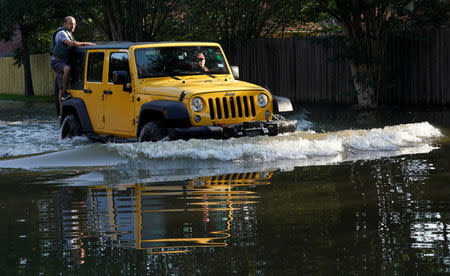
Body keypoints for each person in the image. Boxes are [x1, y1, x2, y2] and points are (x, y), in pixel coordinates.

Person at [50, 16, 95, 117]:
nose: (73, 26)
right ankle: (66, 94)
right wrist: (86, 43)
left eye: (74, 24)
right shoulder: (62, 34)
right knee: (67, 69)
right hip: (57, 61)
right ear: (65, 24)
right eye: (71, 24)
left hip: (62, 61)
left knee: (60, 87)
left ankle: (62, 114)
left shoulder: (69, 34)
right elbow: (70, 44)